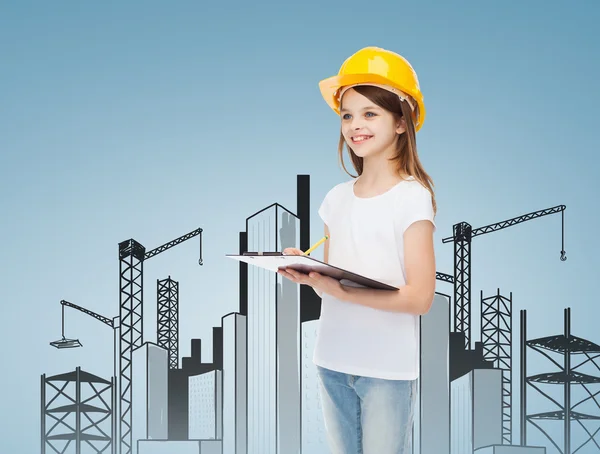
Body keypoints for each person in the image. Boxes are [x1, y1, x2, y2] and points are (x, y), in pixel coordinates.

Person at [277, 46, 437, 453]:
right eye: (347, 114)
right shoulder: (335, 198)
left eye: (370, 114)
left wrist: (343, 292)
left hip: (385, 368)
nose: (354, 125)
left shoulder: (411, 197)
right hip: (331, 359)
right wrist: (307, 271)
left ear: (401, 122)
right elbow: (333, 283)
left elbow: (419, 298)